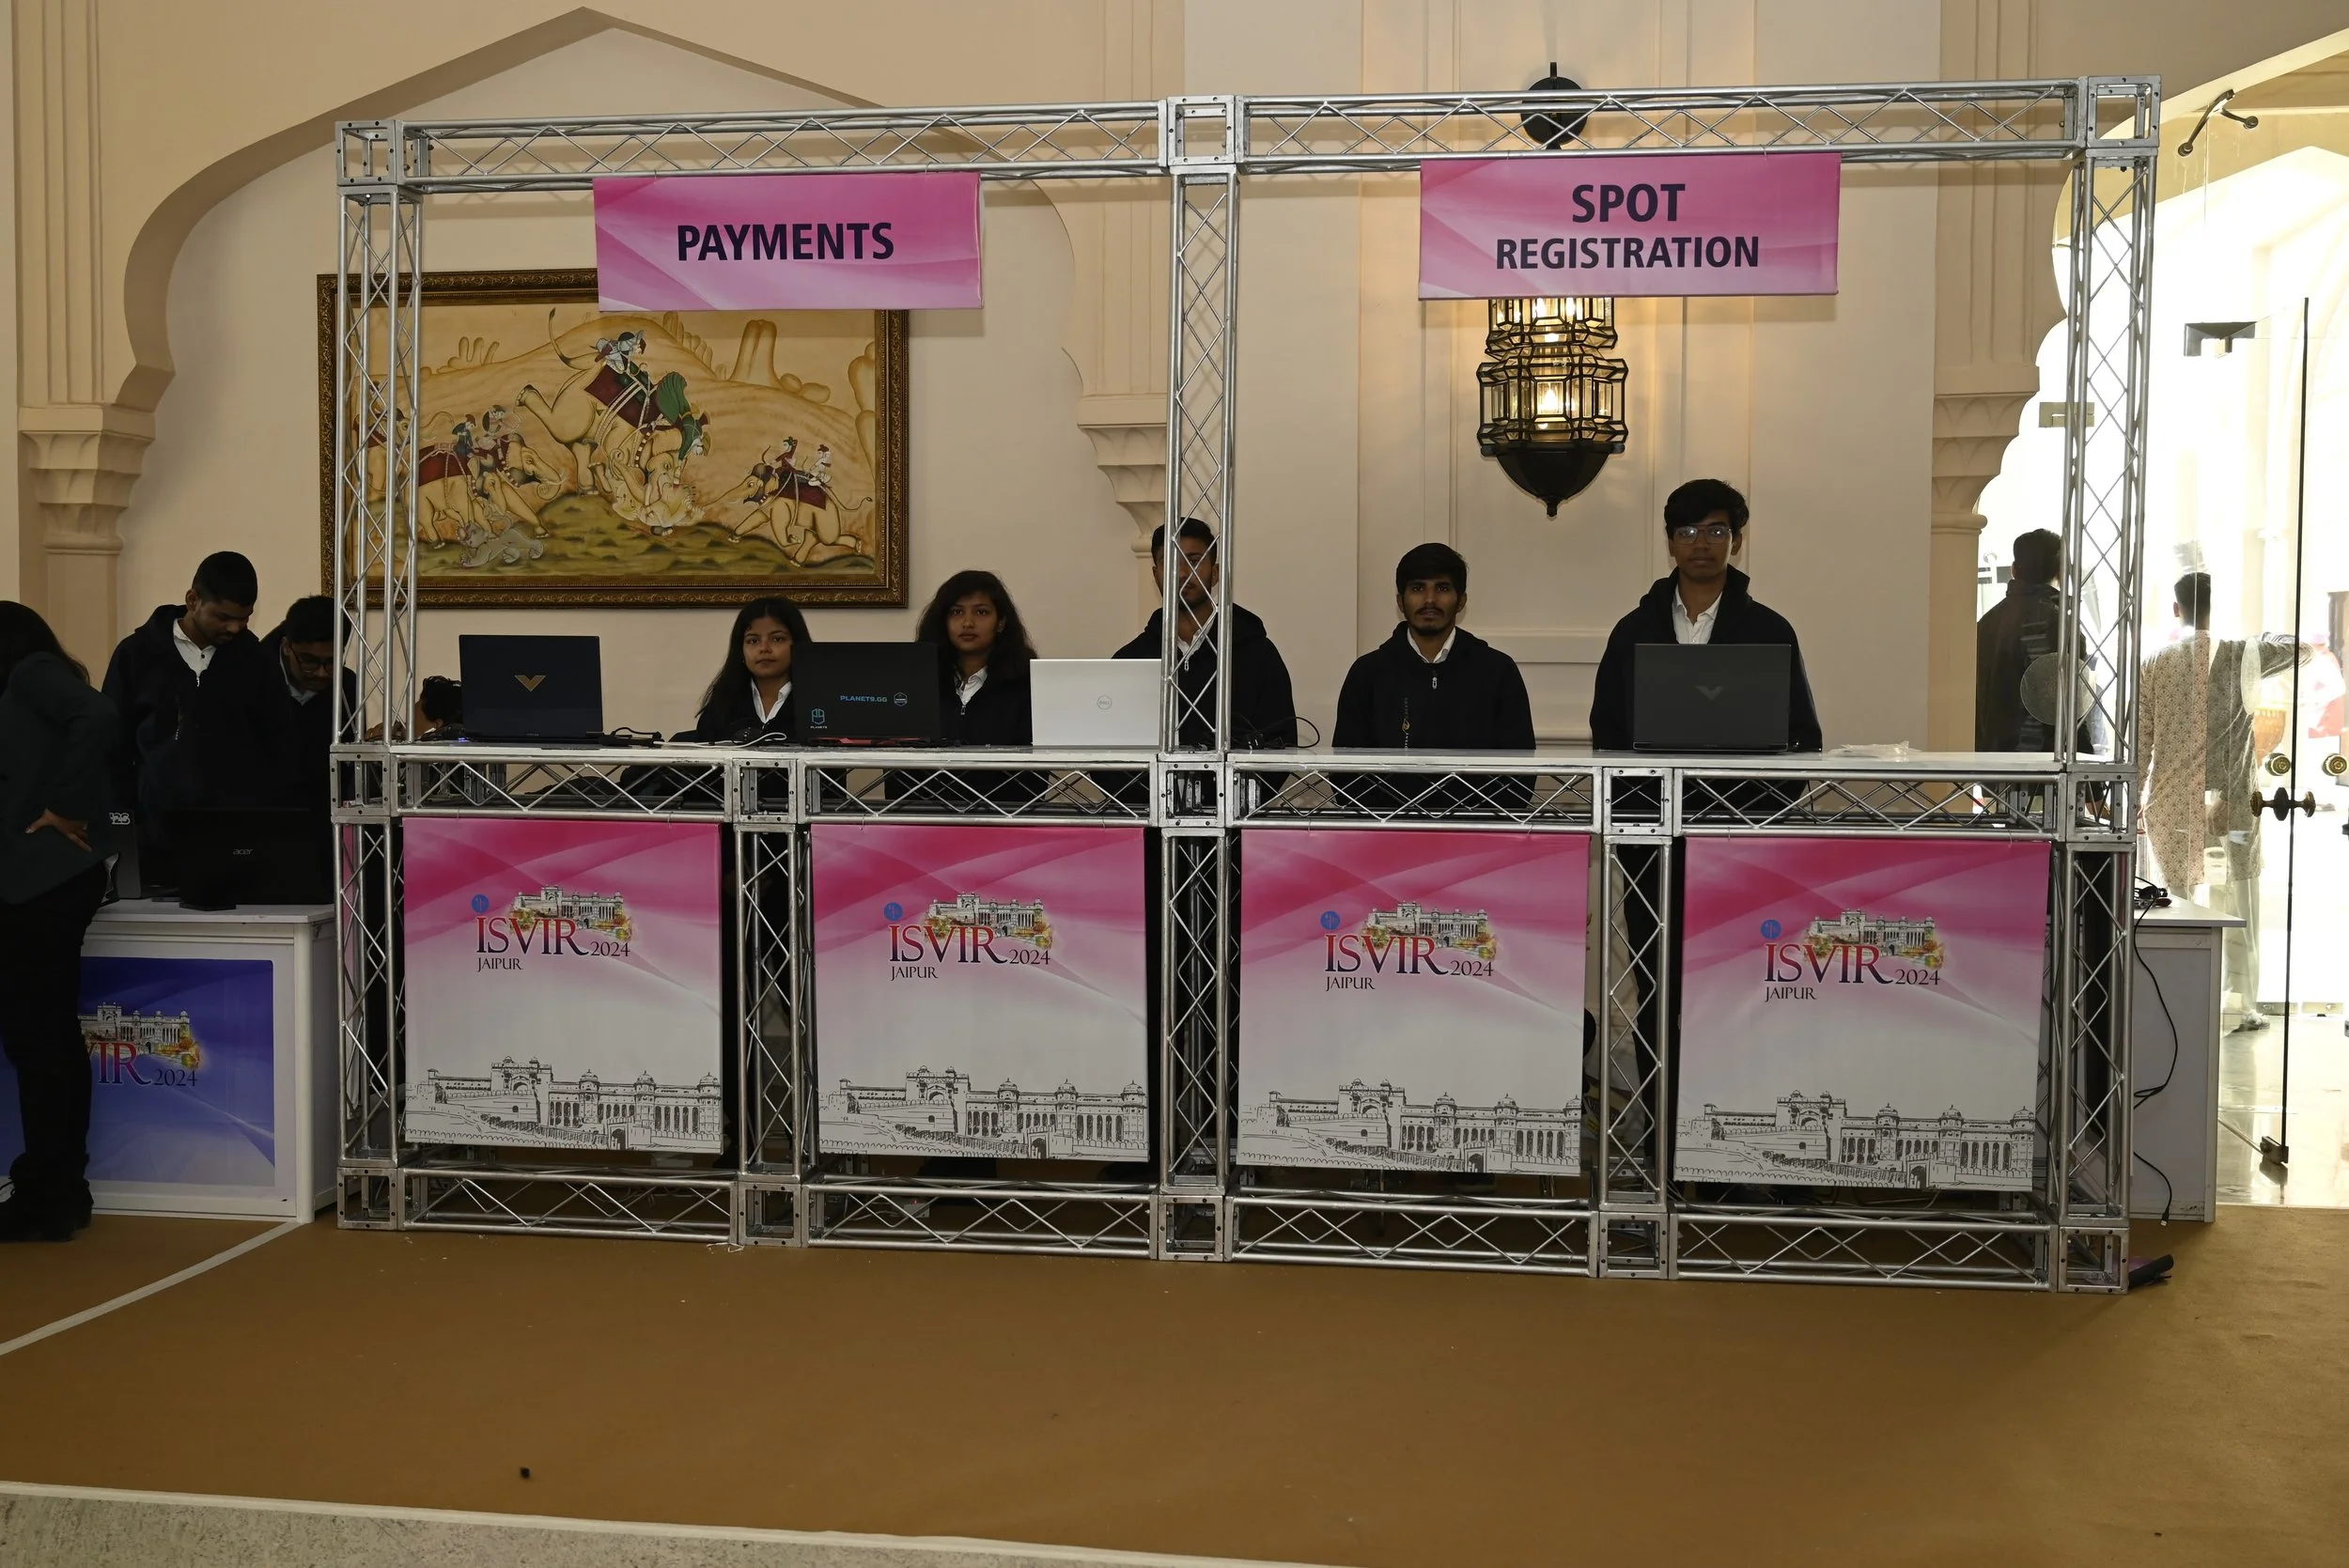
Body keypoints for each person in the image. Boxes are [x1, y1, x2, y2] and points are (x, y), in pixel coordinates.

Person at [0, 602, 120, 1243]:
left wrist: (67, 806)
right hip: (47, 884)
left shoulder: (30, 673)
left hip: (40, 886)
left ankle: (48, 1193)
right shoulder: (32, 689)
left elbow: (99, 715)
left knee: (39, 1042)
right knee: (45, 1040)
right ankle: (60, 1189)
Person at [1588, 478, 1823, 752]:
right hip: (1651, 780)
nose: (1700, 544)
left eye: (1716, 532)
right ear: (1671, 544)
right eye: (1687, 532)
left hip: (1745, 781)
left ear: (1736, 543)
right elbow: (1607, 730)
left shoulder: (1770, 631)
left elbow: (1802, 736)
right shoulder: (1633, 631)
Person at [101, 551, 275, 883]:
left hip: (236, 840)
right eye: (223, 617)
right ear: (192, 600)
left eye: (245, 618)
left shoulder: (256, 660)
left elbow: (276, 744)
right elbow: (112, 746)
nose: (235, 628)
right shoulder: (135, 655)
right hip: (153, 836)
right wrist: (123, 821)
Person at [1114, 519, 1297, 749]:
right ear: (1156, 574)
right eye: (1170, 562)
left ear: (1215, 573)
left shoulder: (1258, 655)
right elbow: (1111, 750)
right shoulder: (1131, 660)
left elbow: (1282, 746)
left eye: (1194, 561)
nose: (1182, 573)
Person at [1333, 542, 1534, 750]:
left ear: (1461, 601)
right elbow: (1346, 765)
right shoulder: (1367, 674)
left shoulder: (1498, 671)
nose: (1430, 600)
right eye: (1418, 588)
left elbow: (1520, 764)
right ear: (1400, 602)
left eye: (1442, 588)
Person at [1976, 529, 2092, 753]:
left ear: (2014, 569)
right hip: (2043, 757)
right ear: (2060, 570)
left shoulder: (1987, 622)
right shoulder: (2059, 624)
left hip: (1988, 757)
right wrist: (2083, 757)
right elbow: (2071, 704)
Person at [260, 596, 356, 826]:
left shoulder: (347, 686)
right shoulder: (254, 681)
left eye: (331, 662)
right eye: (309, 661)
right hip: (262, 817)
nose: (322, 673)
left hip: (324, 821)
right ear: (286, 647)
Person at [916, 570, 1034, 746]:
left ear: (1001, 622)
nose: (968, 623)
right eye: (957, 612)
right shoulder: (920, 681)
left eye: (981, 612)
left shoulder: (1027, 684)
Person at [683, 597, 813, 742]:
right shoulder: (723, 703)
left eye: (777, 639)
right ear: (741, 650)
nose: (764, 648)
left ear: (798, 644)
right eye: (753, 641)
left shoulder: (819, 701)